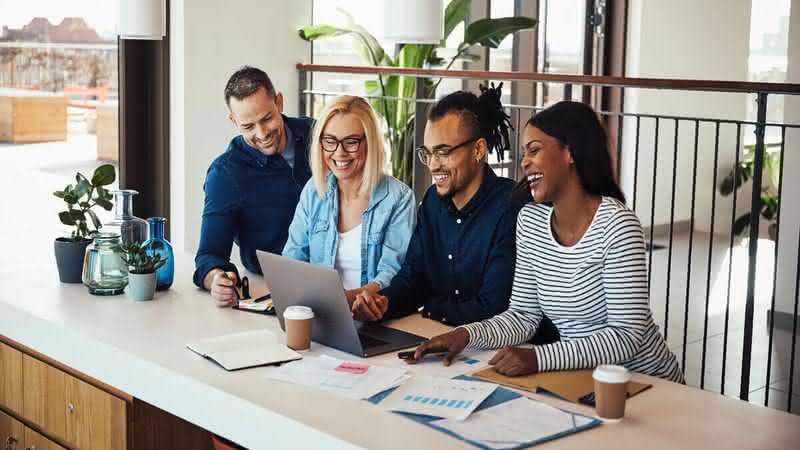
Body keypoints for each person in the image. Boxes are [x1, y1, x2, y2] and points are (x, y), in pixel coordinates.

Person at [411, 101, 684, 383]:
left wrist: (539, 358)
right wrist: (465, 335)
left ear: (569, 152)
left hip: (647, 381)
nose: (524, 162)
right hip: (584, 377)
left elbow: (627, 337)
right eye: (523, 153)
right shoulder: (530, 221)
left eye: (535, 150)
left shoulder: (617, 225)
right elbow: (523, 316)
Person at [351, 83, 521, 326]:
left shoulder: (511, 207)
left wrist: (431, 308)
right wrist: (384, 302)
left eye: (443, 152)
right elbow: (413, 277)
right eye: (428, 153)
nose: (432, 165)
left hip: (490, 346)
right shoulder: (433, 202)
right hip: (433, 336)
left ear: (478, 150)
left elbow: (494, 306)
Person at [193, 66, 313, 306]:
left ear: (279, 102)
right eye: (248, 126)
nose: (262, 133)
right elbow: (209, 255)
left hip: (342, 277)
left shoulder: (317, 135)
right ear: (233, 120)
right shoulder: (225, 174)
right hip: (276, 290)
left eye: (267, 118)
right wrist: (216, 279)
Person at [282, 96, 415, 305]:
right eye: (330, 141)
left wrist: (345, 300)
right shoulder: (314, 191)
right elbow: (292, 259)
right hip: (320, 313)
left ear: (369, 142)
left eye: (351, 142)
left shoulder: (398, 198)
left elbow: (391, 272)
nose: (339, 152)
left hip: (372, 318)